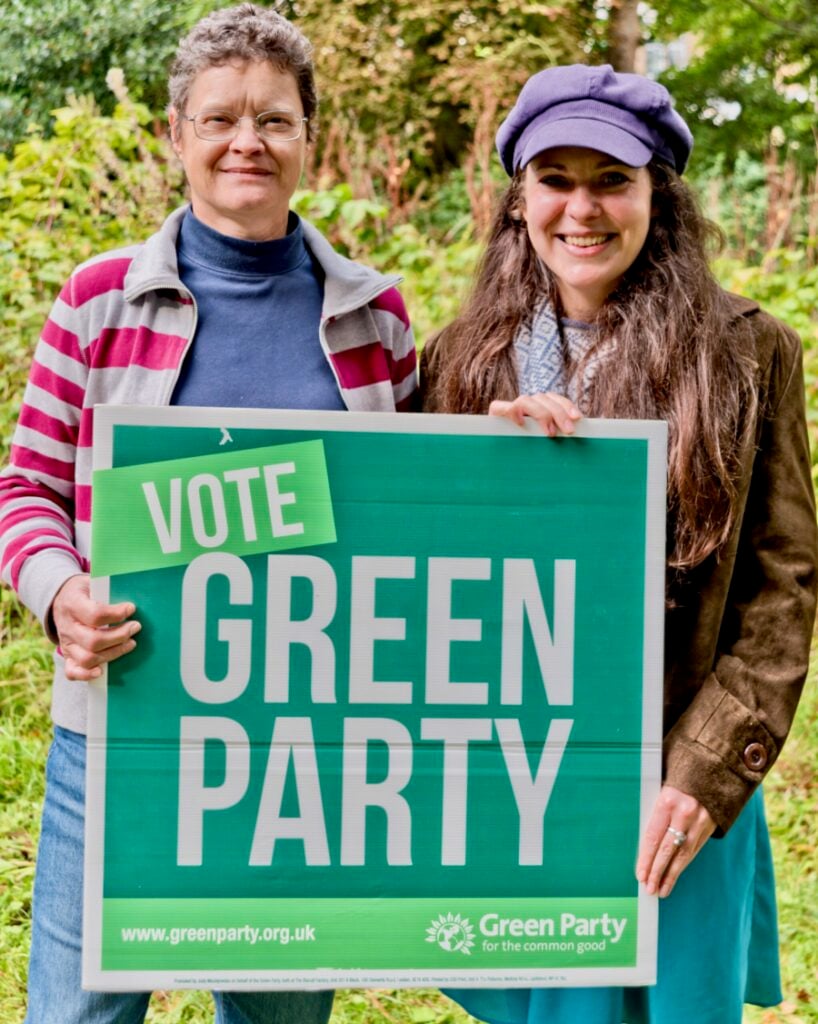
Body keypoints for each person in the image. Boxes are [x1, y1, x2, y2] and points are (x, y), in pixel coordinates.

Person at [0, 5, 416, 1022]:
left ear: (309, 139)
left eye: (273, 120)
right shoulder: (96, 303)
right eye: (221, 117)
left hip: (297, 760)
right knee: (77, 1011)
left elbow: (416, 511)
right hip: (122, 733)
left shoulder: (376, 315)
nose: (247, 142)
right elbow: (24, 490)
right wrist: (61, 595)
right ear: (177, 135)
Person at [421, 63, 817, 1024]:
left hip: (673, 774)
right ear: (520, 200)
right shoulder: (457, 361)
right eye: (555, 177)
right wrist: (476, 464)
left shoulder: (747, 353)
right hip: (521, 778)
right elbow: (417, 568)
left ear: (658, 195)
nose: (581, 208)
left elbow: (784, 584)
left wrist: (702, 772)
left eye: (612, 179)